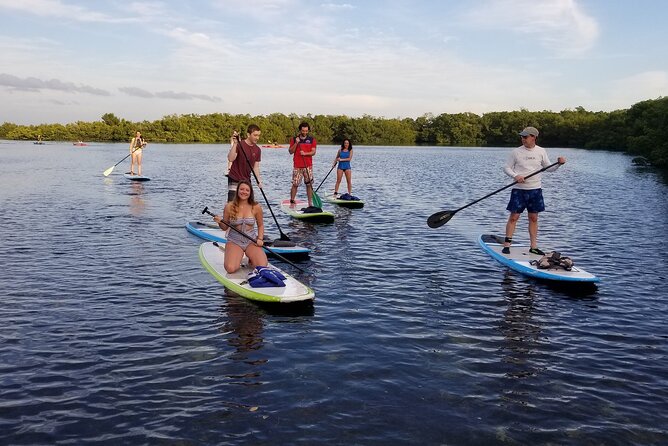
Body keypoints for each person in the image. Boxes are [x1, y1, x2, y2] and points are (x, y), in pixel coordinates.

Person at [501, 126, 566, 255]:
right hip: (519, 190)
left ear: (534, 137)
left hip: (535, 190)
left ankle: (533, 247)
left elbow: (548, 168)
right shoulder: (516, 152)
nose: (523, 139)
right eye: (522, 137)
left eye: (525, 137)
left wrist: (558, 164)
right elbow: (506, 168)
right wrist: (516, 176)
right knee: (514, 217)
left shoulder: (541, 151)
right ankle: (507, 244)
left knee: (534, 218)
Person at [212, 180, 268, 273]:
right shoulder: (229, 206)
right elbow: (225, 227)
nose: (244, 192)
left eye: (247, 190)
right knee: (230, 268)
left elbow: (261, 225)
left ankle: (251, 259)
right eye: (241, 189)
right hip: (234, 241)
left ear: (250, 193)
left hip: (251, 241)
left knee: (262, 266)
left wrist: (260, 239)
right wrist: (219, 222)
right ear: (237, 191)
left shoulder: (256, 206)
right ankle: (235, 256)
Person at [227, 124, 263, 202]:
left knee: (247, 206)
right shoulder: (240, 145)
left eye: (258, 135)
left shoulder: (257, 150)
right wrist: (235, 144)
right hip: (234, 178)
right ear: (248, 134)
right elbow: (230, 158)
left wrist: (259, 181)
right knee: (232, 206)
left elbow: (256, 167)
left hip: (246, 180)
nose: (257, 138)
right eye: (255, 135)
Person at [288, 122, 317, 206]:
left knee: (309, 185)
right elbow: (290, 151)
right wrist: (296, 143)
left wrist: (305, 153)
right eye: (303, 130)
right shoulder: (294, 139)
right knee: (295, 184)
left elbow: (313, 152)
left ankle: (310, 203)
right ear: (300, 130)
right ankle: (292, 201)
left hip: (308, 166)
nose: (305, 132)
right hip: (297, 166)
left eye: (306, 131)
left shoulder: (312, 140)